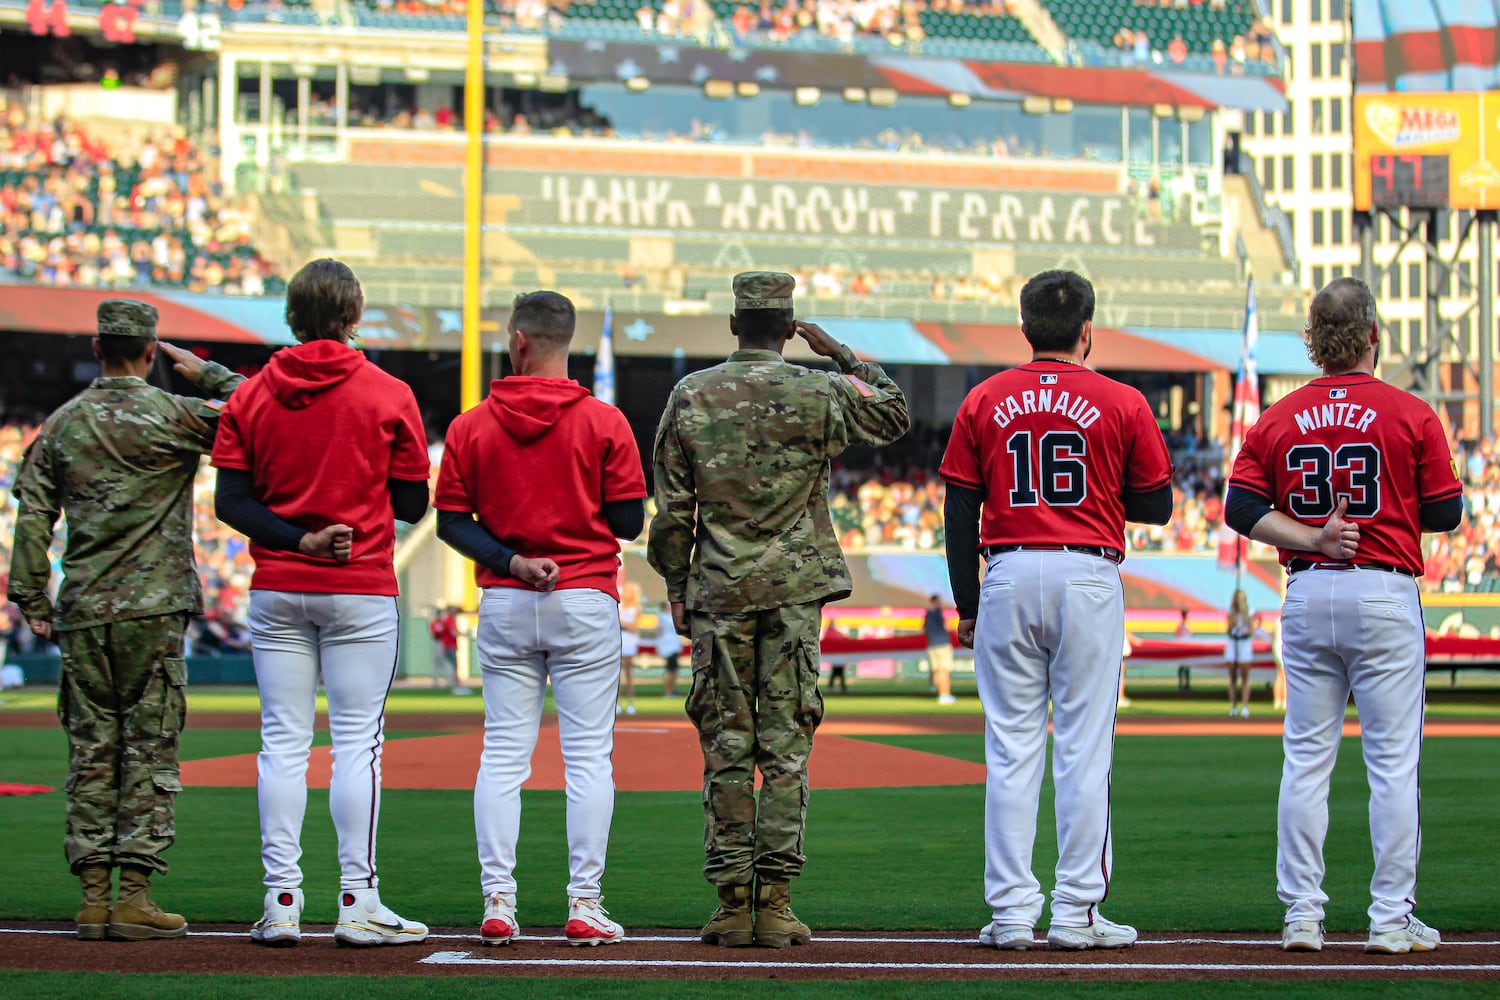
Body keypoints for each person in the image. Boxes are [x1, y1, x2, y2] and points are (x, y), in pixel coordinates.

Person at [648, 271, 909, 949]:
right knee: (786, 749)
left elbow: (674, 512)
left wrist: (677, 587)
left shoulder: (691, 395)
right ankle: (778, 905)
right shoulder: (820, 389)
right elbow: (892, 412)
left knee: (727, 748)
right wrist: (842, 353)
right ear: (789, 327)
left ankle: (733, 904)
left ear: (735, 325)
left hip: (719, 594)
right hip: (794, 594)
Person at [1225, 276, 1463, 955]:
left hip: (1309, 587)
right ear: (1372, 337)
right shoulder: (1410, 412)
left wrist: (1310, 538)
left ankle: (1302, 913)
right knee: (1393, 764)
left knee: (1305, 759)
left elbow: (1240, 509)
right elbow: (1445, 512)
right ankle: (1389, 917)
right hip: (1383, 589)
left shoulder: (1276, 416)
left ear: (1313, 342)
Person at [940, 270, 1173, 952]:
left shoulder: (985, 397)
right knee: (1082, 751)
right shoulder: (1122, 400)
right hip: (1087, 569)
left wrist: (967, 603)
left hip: (1007, 568)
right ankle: (1076, 913)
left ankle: (1012, 915)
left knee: (1010, 751)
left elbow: (959, 510)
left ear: (1025, 326)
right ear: (1088, 330)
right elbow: (1157, 505)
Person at [211, 258, 433, 948]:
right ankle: (357, 900)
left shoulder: (251, 396)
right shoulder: (388, 391)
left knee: (281, 742)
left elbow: (231, 502)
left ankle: (280, 903)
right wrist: (339, 524)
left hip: (280, 584)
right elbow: (411, 502)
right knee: (355, 747)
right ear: (354, 315)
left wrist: (300, 538)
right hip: (358, 584)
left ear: (291, 315)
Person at [7, 299, 243, 940]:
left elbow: (32, 517)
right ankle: (134, 897)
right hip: (156, 608)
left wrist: (33, 601)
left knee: (91, 750)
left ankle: (91, 899)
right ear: (148, 352)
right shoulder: (176, 413)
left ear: (95, 350)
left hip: (83, 609)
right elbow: (266, 412)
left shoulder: (60, 425)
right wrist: (208, 373)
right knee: (149, 748)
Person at [435, 290, 646, 948]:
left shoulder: (470, 426)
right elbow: (629, 522)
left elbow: (450, 523)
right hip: (583, 596)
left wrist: (512, 557)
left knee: (503, 756)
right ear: (567, 341)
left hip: (504, 596)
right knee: (588, 761)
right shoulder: (605, 422)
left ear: (518, 341)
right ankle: (584, 903)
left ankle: (499, 900)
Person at [1224, 589, 1254, 718]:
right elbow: (1228, 628)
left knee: (1245, 677)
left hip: (1244, 643)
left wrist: (1243, 627)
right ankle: (1233, 705)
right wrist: (1234, 621)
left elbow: (1251, 629)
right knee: (1232, 677)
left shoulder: (1249, 611)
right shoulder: (1231, 612)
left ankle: (1245, 706)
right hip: (1233, 642)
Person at [924, 594, 956, 705]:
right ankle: (944, 695)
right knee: (943, 671)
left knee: (937, 671)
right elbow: (947, 626)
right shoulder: (937, 613)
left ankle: (940, 693)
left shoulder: (927, 614)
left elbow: (924, 629)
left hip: (932, 645)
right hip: (942, 644)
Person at [429, 605, 467, 694]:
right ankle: (456, 685)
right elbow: (451, 632)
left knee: (451, 665)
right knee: (452, 665)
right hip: (447, 645)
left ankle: (453, 683)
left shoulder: (449, 620)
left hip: (448, 645)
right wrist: (465, 635)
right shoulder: (448, 620)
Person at [618, 574, 641, 715]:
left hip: (629, 641)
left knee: (629, 674)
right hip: (619, 640)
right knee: (617, 674)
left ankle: (630, 702)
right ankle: (618, 703)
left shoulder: (636, 608)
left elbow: (634, 627)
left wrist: (622, 623)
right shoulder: (619, 606)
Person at [655, 604, 684, 699]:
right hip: (669, 647)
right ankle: (668, 691)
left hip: (672, 646)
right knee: (670, 669)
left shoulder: (663, 617)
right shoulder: (664, 617)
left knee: (673, 669)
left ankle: (671, 690)